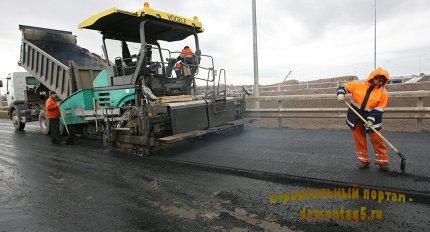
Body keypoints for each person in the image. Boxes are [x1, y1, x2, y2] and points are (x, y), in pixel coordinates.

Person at [336, 67, 390, 171]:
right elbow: (344, 87)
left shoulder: (383, 92)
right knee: (359, 140)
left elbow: (379, 110)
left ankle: (383, 162)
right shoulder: (359, 84)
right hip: (356, 116)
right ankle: (363, 161)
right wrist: (341, 93)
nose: (380, 82)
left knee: (377, 140)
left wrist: (370, 120)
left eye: (382, 81)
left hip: (373, 118)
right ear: (373, 77)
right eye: (378, 79)